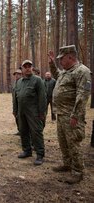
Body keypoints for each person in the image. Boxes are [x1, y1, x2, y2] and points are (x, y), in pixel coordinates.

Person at [48, 45, 91, 184]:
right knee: (63, 142)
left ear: (70, 57)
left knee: (73, 143)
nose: (60, 61)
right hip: (61, 114)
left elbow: (82, 95)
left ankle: (78, 171)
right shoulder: (66, 72)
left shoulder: (81, 71)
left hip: (72, 116)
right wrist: (51, 63)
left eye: (62, 59)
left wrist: (75, 115)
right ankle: (67, 164)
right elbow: (56, 74)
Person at [13, 60, 46, 165]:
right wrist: (15, 110)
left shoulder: (37, 80)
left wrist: (42, 112)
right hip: (21, 112)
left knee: (36, 132)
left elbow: (42, 97)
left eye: (29, 66)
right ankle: (27, 151)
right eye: (25, 66)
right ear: (22, 69)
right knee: (23, 131)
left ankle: (40, 154)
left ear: (32, 68)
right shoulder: (19, 82)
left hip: (34, 112)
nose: (27, 68)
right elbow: (16, 97)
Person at [12, 69, 22, 135]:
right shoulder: (14, 83)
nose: (16, 75)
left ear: (21, 75)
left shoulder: (22, 82)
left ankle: (23, 131)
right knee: (16, 117)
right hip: (15, 104)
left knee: (22, 119)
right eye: (15, 74)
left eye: (18, 74)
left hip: (21, 104)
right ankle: (19, 130)